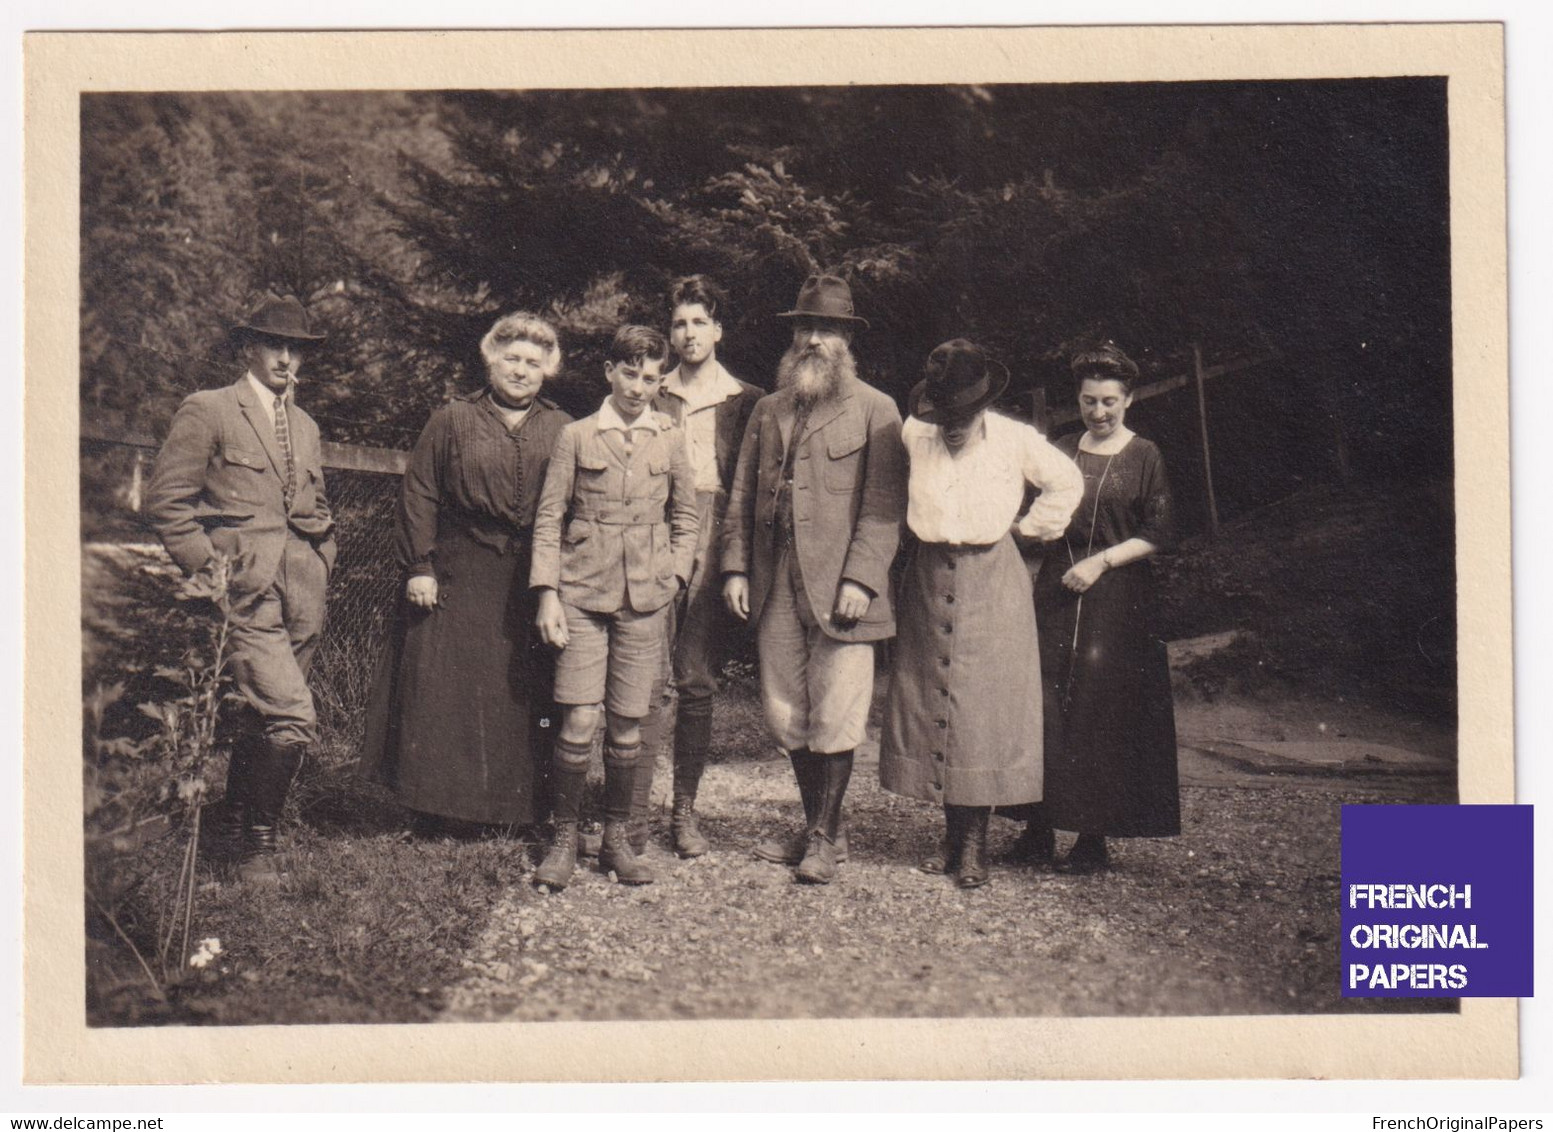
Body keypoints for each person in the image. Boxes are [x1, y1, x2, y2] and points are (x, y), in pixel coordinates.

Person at [144, 292, 337, 884]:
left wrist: (324, 555)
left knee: (264, 717)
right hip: (243, 590)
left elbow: (315, 503)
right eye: (274, 345)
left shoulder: (303, 425)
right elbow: (166, 503)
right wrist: (212, 576)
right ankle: (257, 848)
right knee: (291, 713)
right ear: (248, 347)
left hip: (302, 589)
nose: (285, 358)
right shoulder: (210, 409)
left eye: (295, 349)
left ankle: (228, 828)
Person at [722, 274, 906, 885]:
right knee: (785, 713)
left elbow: (883, 508)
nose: (815, 341)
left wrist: (861, 578)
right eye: (806, 329)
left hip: (840, 589)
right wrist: (736, 567)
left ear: (847, 342)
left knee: (838, 711)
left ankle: (824, 837)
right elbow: (742, 495)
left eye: (828, 331)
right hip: (776, 583)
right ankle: (818, 827)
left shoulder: (877, 410)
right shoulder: (768, 410)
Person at [879, 340, 1083, 888]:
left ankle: (974, 846)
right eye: (942, 414)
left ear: (982, 406)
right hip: (927, 576)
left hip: (992, 579)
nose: (951, 426)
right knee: (933, 705)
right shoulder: (912, 435)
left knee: (981, 715)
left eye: (962, 415)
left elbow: (1067, 481)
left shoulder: (1015, 439)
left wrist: (1028, 531)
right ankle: (949, 839)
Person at [359, 312, 572, 835]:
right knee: (445, 689)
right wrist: (419, 564)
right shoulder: (452, 419)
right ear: (491, 360)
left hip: (530, 576)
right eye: (511, 359)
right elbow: (419, 493)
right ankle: (434, 810)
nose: (521, 371)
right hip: (459, 569)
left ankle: (516, 812)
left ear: (548, 368)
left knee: (520, 693)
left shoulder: (564, 427)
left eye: (533, 362)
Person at [529, 325, 699, 889]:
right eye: (630, 373)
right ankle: (563, 838)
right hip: (581, 593)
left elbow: (686, 519)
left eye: (651, 378)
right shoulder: (577, 436)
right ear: (609, 372)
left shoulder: (670, 439)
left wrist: (674, 574)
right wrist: (547, 594)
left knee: (627, 726)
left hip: (645, 599)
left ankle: (616, 840)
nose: (639, 387)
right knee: (578, 720)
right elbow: (549, 519)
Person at [1021, 341, 1181, 873]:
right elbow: (1036, 514)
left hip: (1117, 595)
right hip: (1055, 589)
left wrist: (1100, 564)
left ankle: (1093, 837)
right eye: (1090, 400)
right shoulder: (1062, 449)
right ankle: (1036, 829)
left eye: (1110, 401)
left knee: (1101, 709)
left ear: (1128, 399)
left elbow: (1159, 531)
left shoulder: (1145, 455)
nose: (1099, 411)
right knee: (1042, 702)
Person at [633, 276, 764, 857]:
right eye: (679, 323)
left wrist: (738, 561)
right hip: (654, 532)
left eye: (699, 323)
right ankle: (629, 811)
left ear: (718, 330)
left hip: (715, 536)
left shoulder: (747, 400)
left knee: (696, 677)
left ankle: (683, 812)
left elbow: (751, 489)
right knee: (644, 673)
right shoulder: (649, 391)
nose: (688, 334)